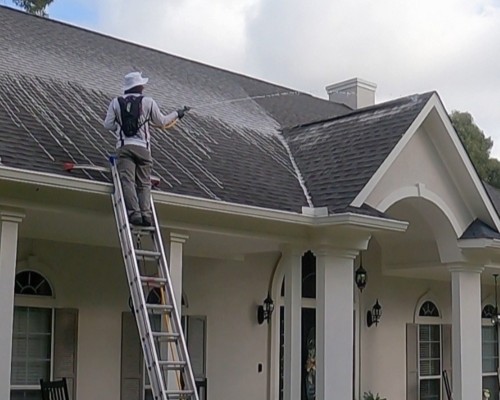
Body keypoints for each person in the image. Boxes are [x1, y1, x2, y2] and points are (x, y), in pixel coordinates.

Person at [104, 71, 189, 226]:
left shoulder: (115, 102)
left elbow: (107, 125)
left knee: (127, 181)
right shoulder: (148, 102)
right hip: (143, 149)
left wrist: (122, 125)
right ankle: (146, 214)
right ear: (139, 87)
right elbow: (162, 121)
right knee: (144, 183)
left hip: (124, 147)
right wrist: (178, 113)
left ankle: (134, 214)